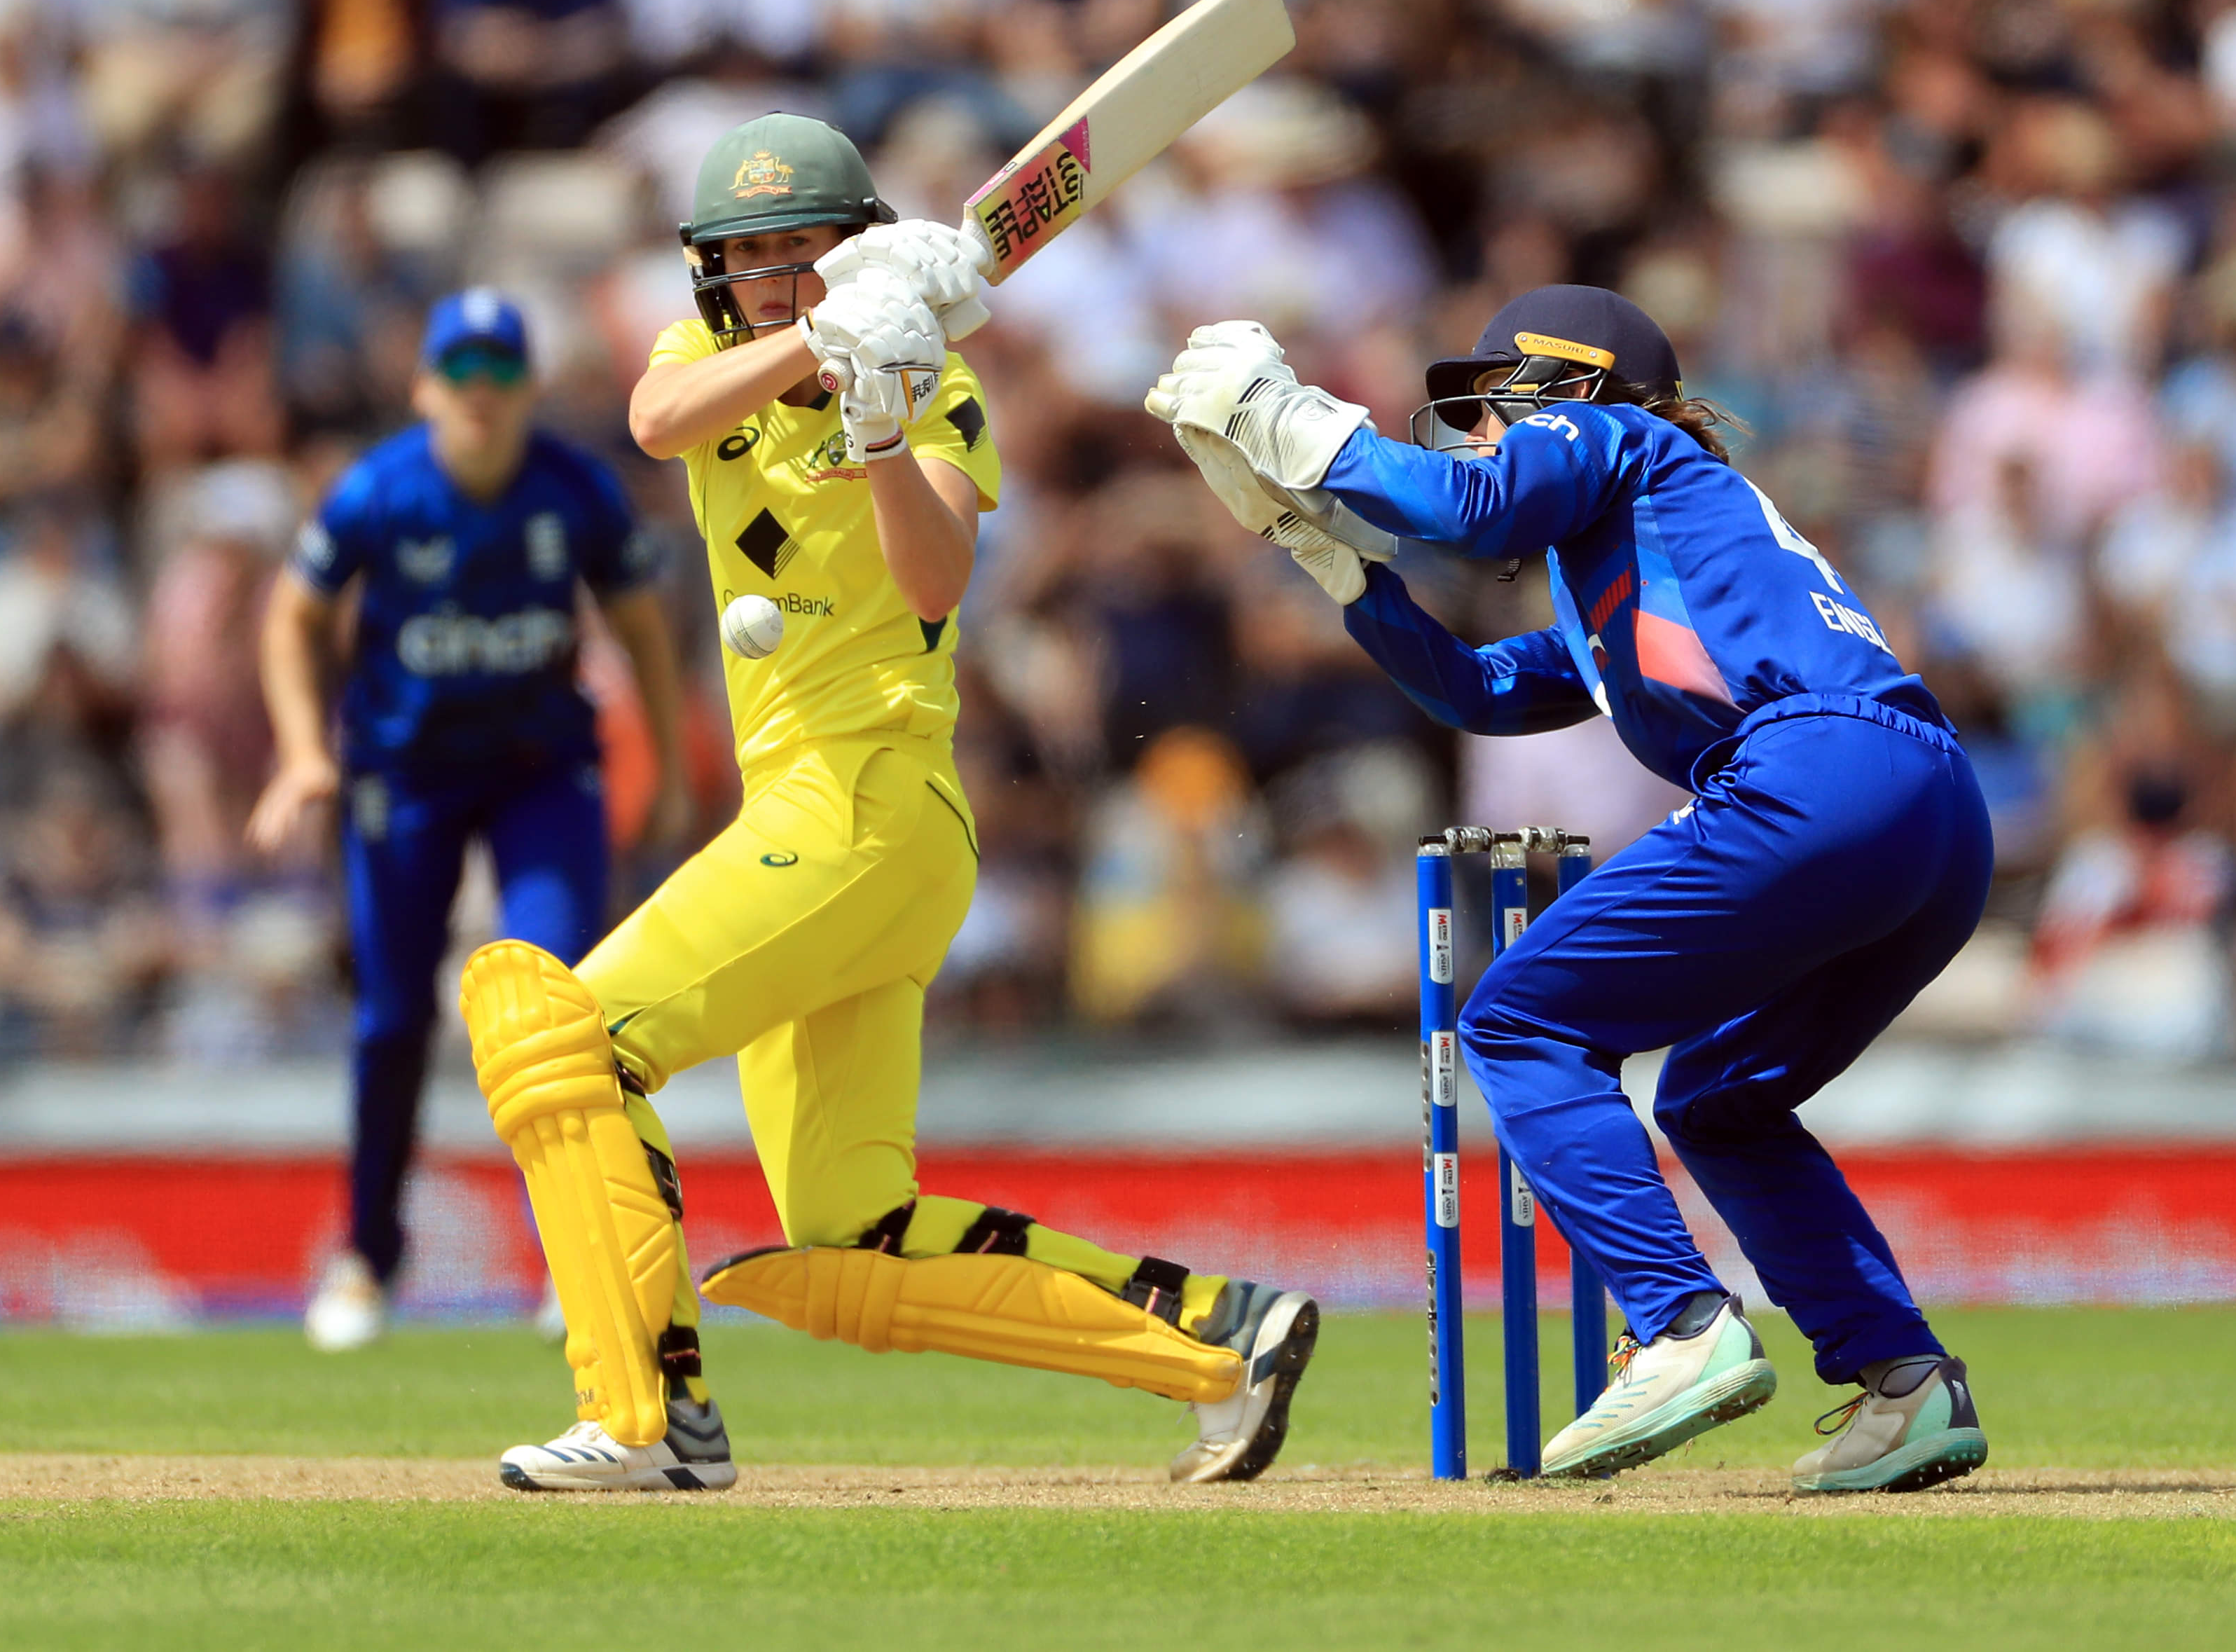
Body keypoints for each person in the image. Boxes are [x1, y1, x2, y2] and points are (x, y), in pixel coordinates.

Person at [460, 112, 1316, 1494]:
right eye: (749, 260)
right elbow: (653, 417)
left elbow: (931, 582)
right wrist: (825, 337)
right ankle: (1219, 1338)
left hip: (867, 809)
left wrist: (874, 417)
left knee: (563, 1037)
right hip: (821, 827)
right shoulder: (710, 356)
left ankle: (642, 1416)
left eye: (806, 254)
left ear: (857, 249)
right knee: (856, 1233)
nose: (774, 278)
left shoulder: (932, 387)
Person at [1149, 284, 1995, 1494]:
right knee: (1718, 1098)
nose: (1477, 431)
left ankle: (1679, 1326)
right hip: (1932, 812)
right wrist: (1328, 557)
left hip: (1819, 766)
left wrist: (1291, 418)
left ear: (1558, 382)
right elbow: (1477, 692)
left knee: (1516, 1018)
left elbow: (1474, 509)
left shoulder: (1618, 436)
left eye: (1488, 406)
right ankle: (1908, 1384)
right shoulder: (1639, 565)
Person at [249, 288, 688, 1352]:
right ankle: (365, 1257)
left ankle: (576, 1261)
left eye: (501, 375)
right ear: (426, 388)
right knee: (394, 1017)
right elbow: (292, 613)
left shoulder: (574, 489)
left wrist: (670, 768)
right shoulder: (380, 491)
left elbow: (640, 630)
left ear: (530, 387)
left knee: (555, 1005)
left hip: (542, 771)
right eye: (463, 376)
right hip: (405, 778)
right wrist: (304, 752)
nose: (482, 397)